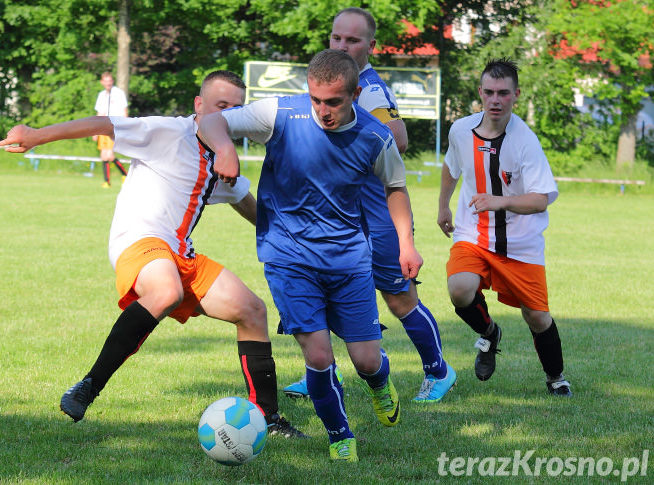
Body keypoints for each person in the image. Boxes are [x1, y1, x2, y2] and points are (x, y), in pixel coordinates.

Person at [0, 70, 307, 437]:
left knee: (253, 311)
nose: (226, 115)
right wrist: (37, 135)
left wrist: (301, 241)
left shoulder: (224, 163)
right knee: (166, 292)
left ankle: (267, 419)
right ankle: (88, 386)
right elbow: (105, 123)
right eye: (219, 106)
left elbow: (249, 206)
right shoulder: (168, 132)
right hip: (140, 240)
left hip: (181, 255)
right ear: (199, 105)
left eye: (234, 109)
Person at [199, 49, 421, 462]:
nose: (323, 110)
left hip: (349, 258)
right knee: (318, 356)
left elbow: (395, 188)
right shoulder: (280, 113)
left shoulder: (376, 136)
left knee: (367, 361)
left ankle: (378, 381)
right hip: (288, 256)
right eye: (316, 99)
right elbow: (211, 120)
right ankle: (340, 435)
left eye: (334, 101)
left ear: (355, 93)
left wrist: (406, 244)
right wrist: (225, 150)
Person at [282, 7, 456, 403]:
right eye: (336, 38)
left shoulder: (370, 89)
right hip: (337, 219)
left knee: (398, 298)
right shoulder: (328, 85)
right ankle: (324, 375)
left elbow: (399, 137)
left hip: (377, 217)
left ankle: (439, 371)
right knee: (322, 291)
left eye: (352, 40)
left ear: (370, 46)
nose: (342, 45)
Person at [437, 58, 572, 397]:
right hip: (473, 235)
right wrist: (443, 206)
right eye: (489, 92)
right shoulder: (460, 130)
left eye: (503, 93)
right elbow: (452, 166)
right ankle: (490, 333)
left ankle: (556, 378)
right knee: (459, 289)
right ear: (480, 93)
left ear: (516, 95)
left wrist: (499, 201)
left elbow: (541, 199)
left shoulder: (525, 141)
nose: (495, 100)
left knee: (537, 317)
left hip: (520, 243)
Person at [94, 71, 129, 188]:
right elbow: (99, 112)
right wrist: (95, 131)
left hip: (114, 126)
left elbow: (124, 110)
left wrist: (125, 126)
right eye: (106, 81)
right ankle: (107, 181)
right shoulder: (101, 95)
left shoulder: (119, 93)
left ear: (112, 82)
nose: (108, 83)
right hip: (103, 126)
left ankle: (125, 175)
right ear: (102, 82)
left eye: (110, 81)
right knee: (103, 155)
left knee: (110, 155)